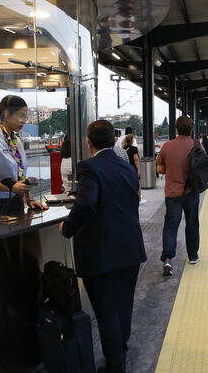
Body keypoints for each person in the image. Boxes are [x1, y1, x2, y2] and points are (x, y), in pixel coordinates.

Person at [59, 120, 146, 373]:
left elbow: (86, 204)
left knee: (106, 311)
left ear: (89, 142)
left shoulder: (88, 167)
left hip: (102, 252)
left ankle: (116, 364)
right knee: (123, 305)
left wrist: (68, 228)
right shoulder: (128, 167)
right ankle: (121, 348)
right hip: (130, 248)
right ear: (113, 140)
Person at [0, 95, 47, 217]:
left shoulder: (16, 141)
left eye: (26, 117)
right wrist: (10, 188)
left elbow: (20, 176)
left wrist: (29, 199)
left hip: (17, 205)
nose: (24, 121)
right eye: (21, 116)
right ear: (7, 114)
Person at [155, 116, 200, 276]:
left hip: (173, 194)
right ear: (191, 128)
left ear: (176, 128)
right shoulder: (196, 144)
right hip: (191, 193)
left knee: (171, 226)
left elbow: (159, 169)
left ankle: (167, 259)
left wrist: (172, 168)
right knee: (192, 224)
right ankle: (193, 256)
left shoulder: (167, 146)